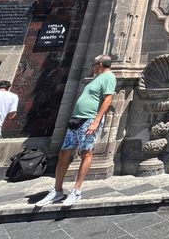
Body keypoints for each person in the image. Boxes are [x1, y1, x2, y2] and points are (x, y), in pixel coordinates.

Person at [35, 55, 116, 208]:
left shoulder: (108, 77)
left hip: (89, 120)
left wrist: (96, 121)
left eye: (93, 64)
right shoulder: (97, 78)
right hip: (77, 120)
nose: (92, 67)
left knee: (86, 152)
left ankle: (77, 190)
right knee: (64, 153)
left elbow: (108, 99)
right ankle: (57, 190)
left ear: (99, 64)